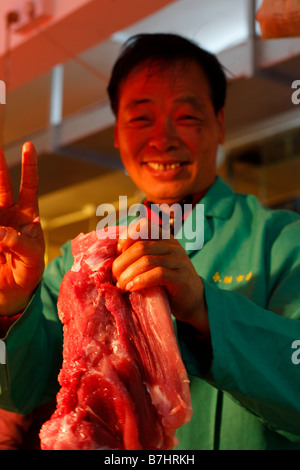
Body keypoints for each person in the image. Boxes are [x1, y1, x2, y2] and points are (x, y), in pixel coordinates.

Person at [0, 33, 300, 450]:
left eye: (188, 117)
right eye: (141, 119)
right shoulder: (80, 257)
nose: (163, 138)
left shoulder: (284, 241)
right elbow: (22, 389)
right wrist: (12, 305)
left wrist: (204, 310)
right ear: (118, 136)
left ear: (220, 125)